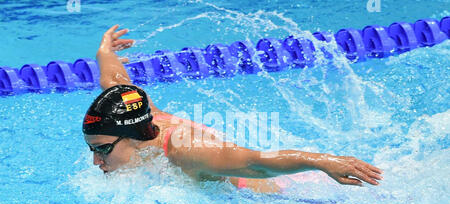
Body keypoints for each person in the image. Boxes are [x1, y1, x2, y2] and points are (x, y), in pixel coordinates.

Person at [83, 25, 383, 193]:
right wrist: (104, 53)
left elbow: (255, 163)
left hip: (298, 197)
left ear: (132, 135)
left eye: (103, 149)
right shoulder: (139, 113)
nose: (96, 161)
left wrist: (323, 161)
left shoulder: (182, 150)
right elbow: (115, 81)